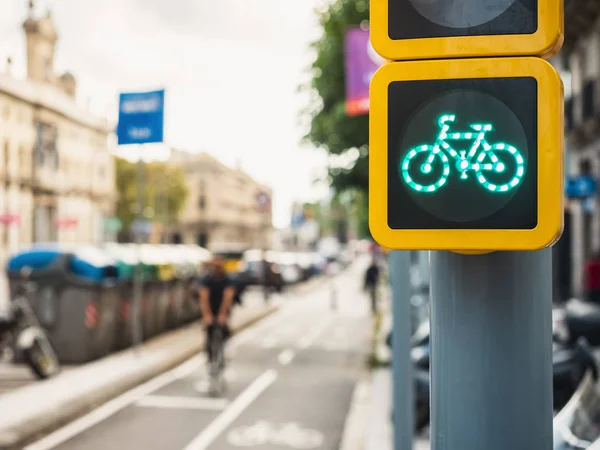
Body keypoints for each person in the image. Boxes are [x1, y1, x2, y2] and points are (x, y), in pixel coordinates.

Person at [198, 256, 235, 364]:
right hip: (211, 307)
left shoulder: (227, 279)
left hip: (223, 307)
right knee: (209, 330)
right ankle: (209, 354)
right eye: (215, 266)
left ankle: (226, 347)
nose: (217, 269)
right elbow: (203, 297)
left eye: (219, 266)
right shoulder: (206, 279)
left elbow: (228, 297)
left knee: (225, 329)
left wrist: (223, 314)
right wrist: (207, 315)